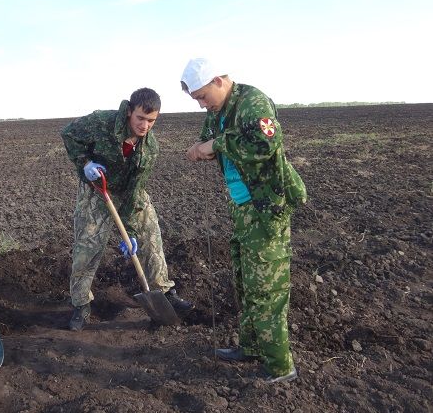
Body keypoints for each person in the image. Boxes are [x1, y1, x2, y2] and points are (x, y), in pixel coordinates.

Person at [181, 58, 307, 383]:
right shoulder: (217, 113)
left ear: (219, 80)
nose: (201, 103)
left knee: (266, 288)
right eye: (195, 98)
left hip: (266, 208)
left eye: (203, 95)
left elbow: (266, 142)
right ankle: (251, 347)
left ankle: (280, 367)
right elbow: (208, 140)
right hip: (242, 209)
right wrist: (200, 148)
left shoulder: (253, 101)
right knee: (245, 282)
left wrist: (216, 144)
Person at [61, 88, 194, 331]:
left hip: (129, 190)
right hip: (95, 188)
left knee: (150, 238)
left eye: (151, 120)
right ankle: (80, 305)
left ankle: (164, 292)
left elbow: (135, 191)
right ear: (130, 111)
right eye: (140, 118)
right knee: (87, 247)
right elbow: (69, 134)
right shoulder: (102, 122)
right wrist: (86, 163)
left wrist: (130, 231)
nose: (144, 126)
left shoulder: (149, 149)